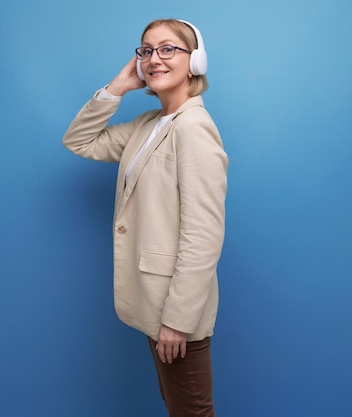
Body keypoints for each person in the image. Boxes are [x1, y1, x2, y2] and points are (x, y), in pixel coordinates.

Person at [62, 18, 227, 417]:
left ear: (196, 62)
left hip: (175, 311)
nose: (155, 58)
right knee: (178, 406)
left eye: (168, 49)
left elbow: (203, 235)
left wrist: (177, 320)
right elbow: (79, 140)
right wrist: (118, 86)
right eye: (147, 50)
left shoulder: (194, 129)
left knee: (191, 411)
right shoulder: (148, 125)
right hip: (153, 302)